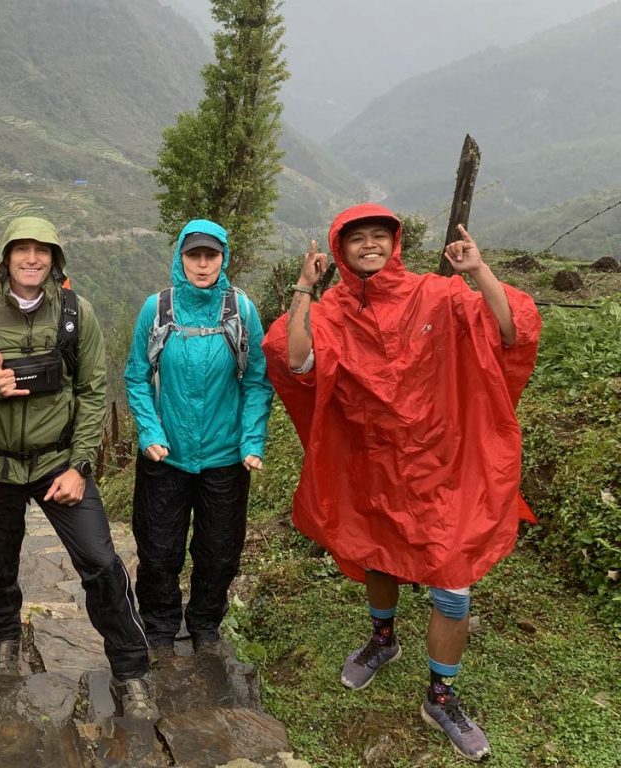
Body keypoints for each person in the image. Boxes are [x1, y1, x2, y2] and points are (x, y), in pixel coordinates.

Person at [262, 203, 541, 762]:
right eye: (356, 238)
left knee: (453, 581)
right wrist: (302, 290)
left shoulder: (437, 295)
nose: (370, 245)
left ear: (395, 244)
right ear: (339, 250)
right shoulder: (333, 311)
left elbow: (513, 332)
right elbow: (294, 361)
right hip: (374, 465)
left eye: (379, 236)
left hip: (447, 465)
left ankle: (440, 696)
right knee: (378, 555)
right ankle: (382, 640)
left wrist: (478, 273)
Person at [0, 216, 157, 719]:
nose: (32, 259)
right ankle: (6, 638)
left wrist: (79, 465)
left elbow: (93, 391)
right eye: (22, 250)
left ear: (55, 259)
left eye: (42, 250)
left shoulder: (77, 315)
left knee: (101, 561)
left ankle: (131, 670)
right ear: (6, 258)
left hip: (58, 461)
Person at [123, 219, 273, 656]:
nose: (203, 263)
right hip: (165, 456)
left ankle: (206, 625)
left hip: (226, 457)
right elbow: (136, 376)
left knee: (219, 551)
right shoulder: (157, 309)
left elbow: (258, 381)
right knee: (158, 548)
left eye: (211, 255)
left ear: (223, 258)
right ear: (180, 258)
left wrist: (251, 441)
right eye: (194, 255)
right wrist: (149, 430)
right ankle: (160, 626)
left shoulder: (241, 312)